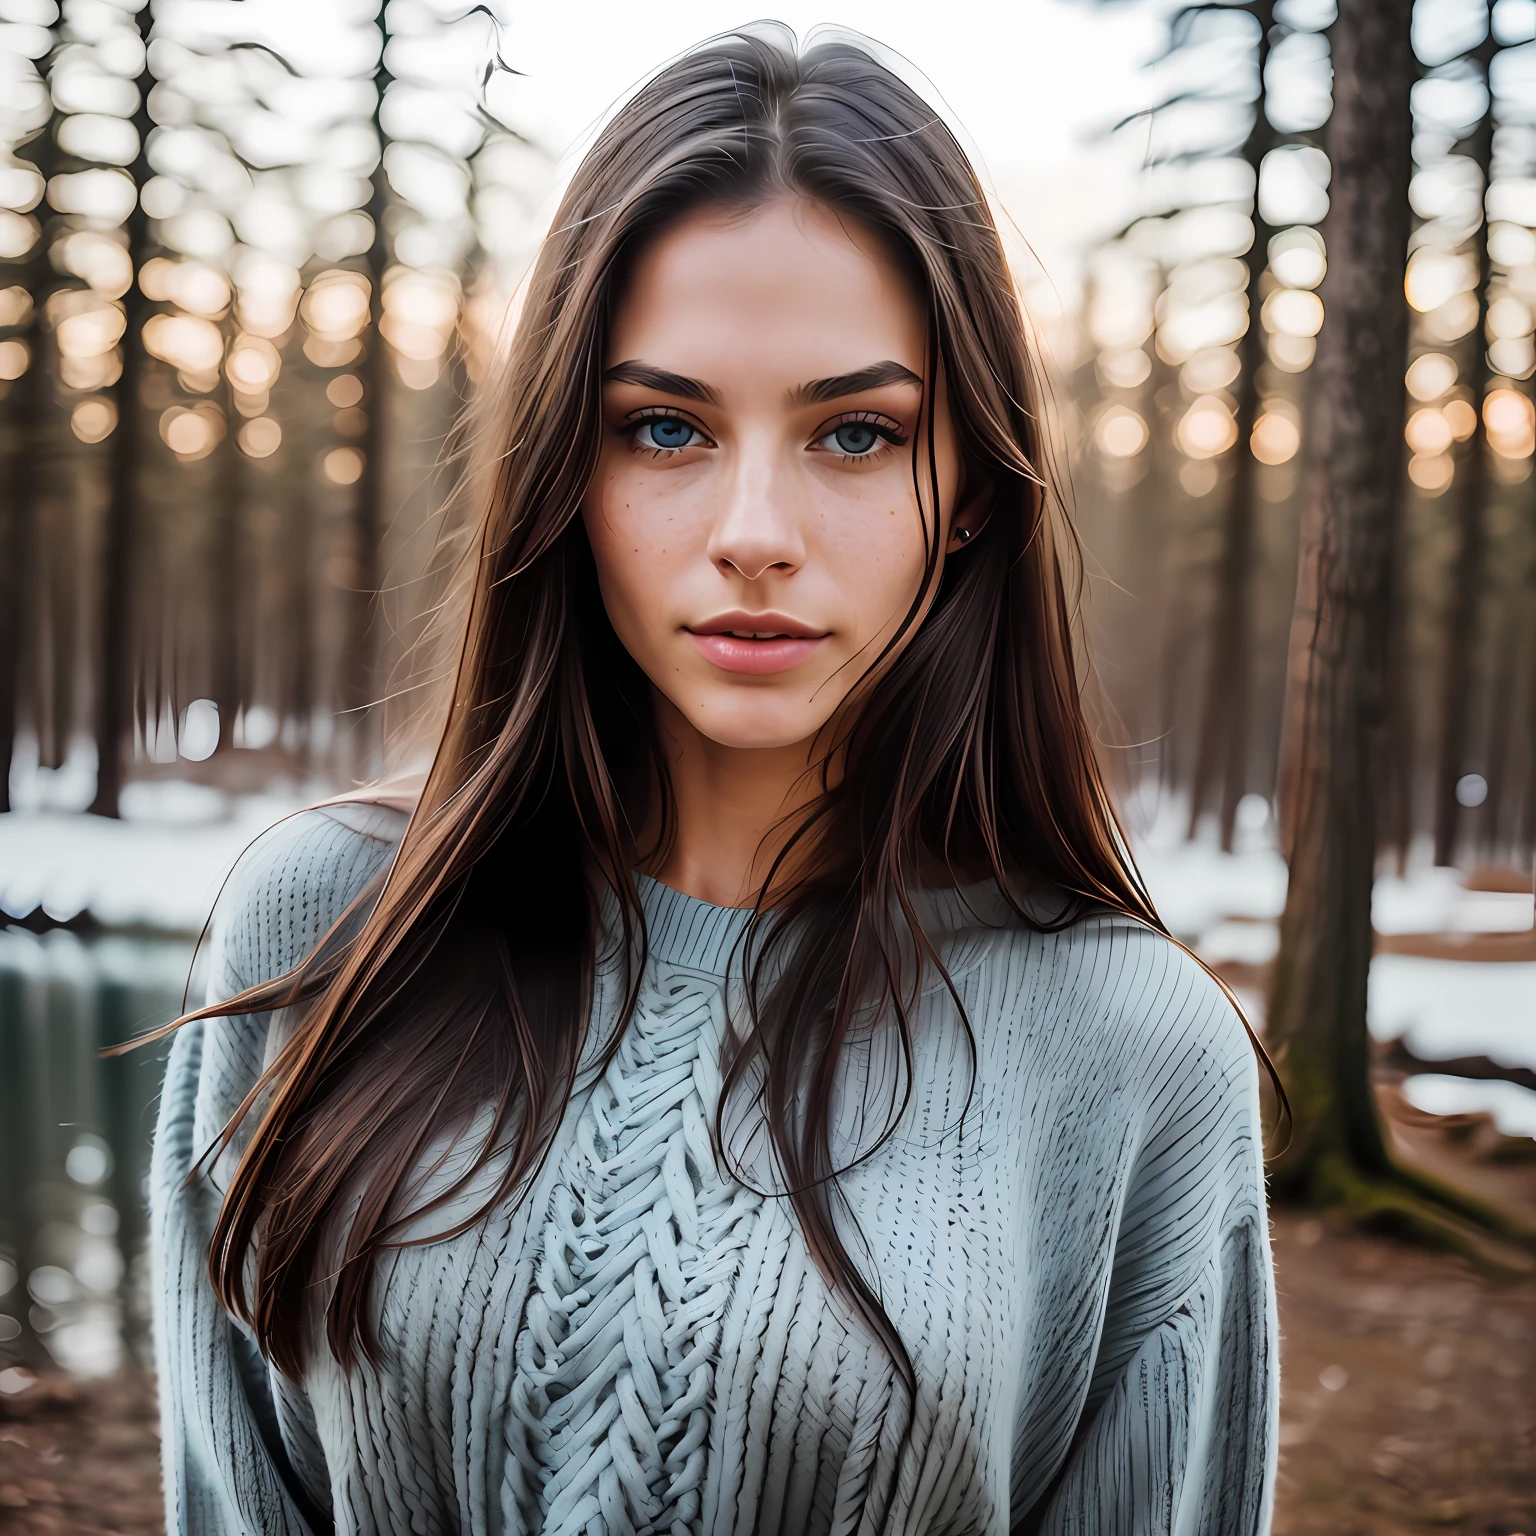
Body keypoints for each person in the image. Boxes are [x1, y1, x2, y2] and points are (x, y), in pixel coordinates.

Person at [149, 24, 1277, 1536]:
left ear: (964, 501)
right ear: (571, 470)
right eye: (666, 427)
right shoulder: (324, 932)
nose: (756, 527)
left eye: (858, 433)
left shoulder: (1134, 1053)